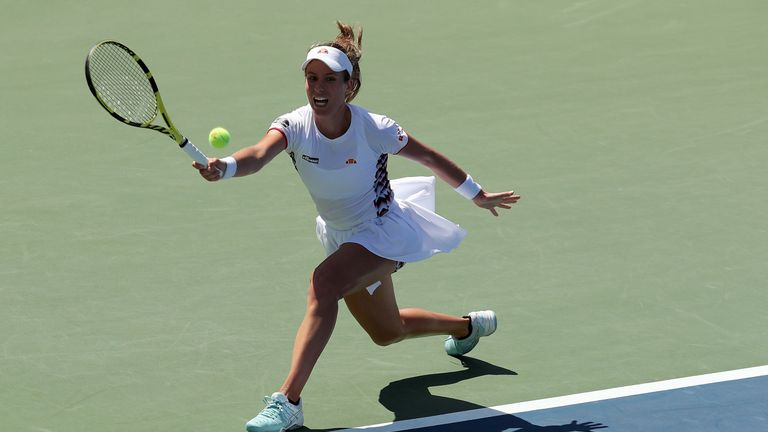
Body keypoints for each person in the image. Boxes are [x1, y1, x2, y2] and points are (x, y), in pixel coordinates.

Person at [194, 21, 521, 432]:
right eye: (312, 78)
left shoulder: (374, 127)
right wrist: (225, 168)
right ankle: (470, 326)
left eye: (330, 79)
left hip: (383, 230)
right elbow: (258, 155)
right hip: (341, 235)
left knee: (324, 283)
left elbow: (431, 159)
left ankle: (287, 401)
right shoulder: (294, 125)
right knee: (388, 332)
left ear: (350, 86)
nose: (319, 87)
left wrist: (477, 194)